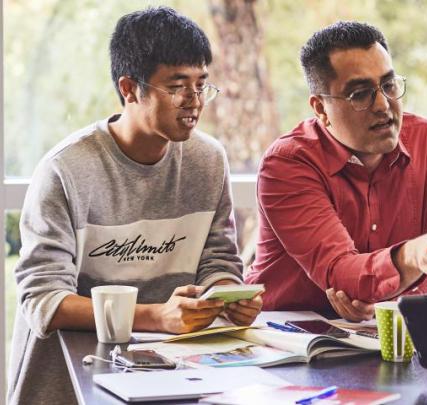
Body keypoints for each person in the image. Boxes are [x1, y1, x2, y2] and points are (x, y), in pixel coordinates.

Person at [8, 7, 262, 404]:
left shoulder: (207, 160)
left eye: (201, 85)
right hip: (69, 382)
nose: (194, 101)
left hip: (171, 375)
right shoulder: (66, 170)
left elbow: (218, 262)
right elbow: (44, 301)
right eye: (177, 86)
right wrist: (156, 315)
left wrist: (228, 295)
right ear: (129, 88)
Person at [248, 21, 427, 322]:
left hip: (388, 332)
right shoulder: (287, 163)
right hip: (287, 339)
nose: (383, 105)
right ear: (320, 109)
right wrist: (412, 256)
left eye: (388, 85)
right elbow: (341, 273)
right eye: (360, 94)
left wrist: (391, 305)